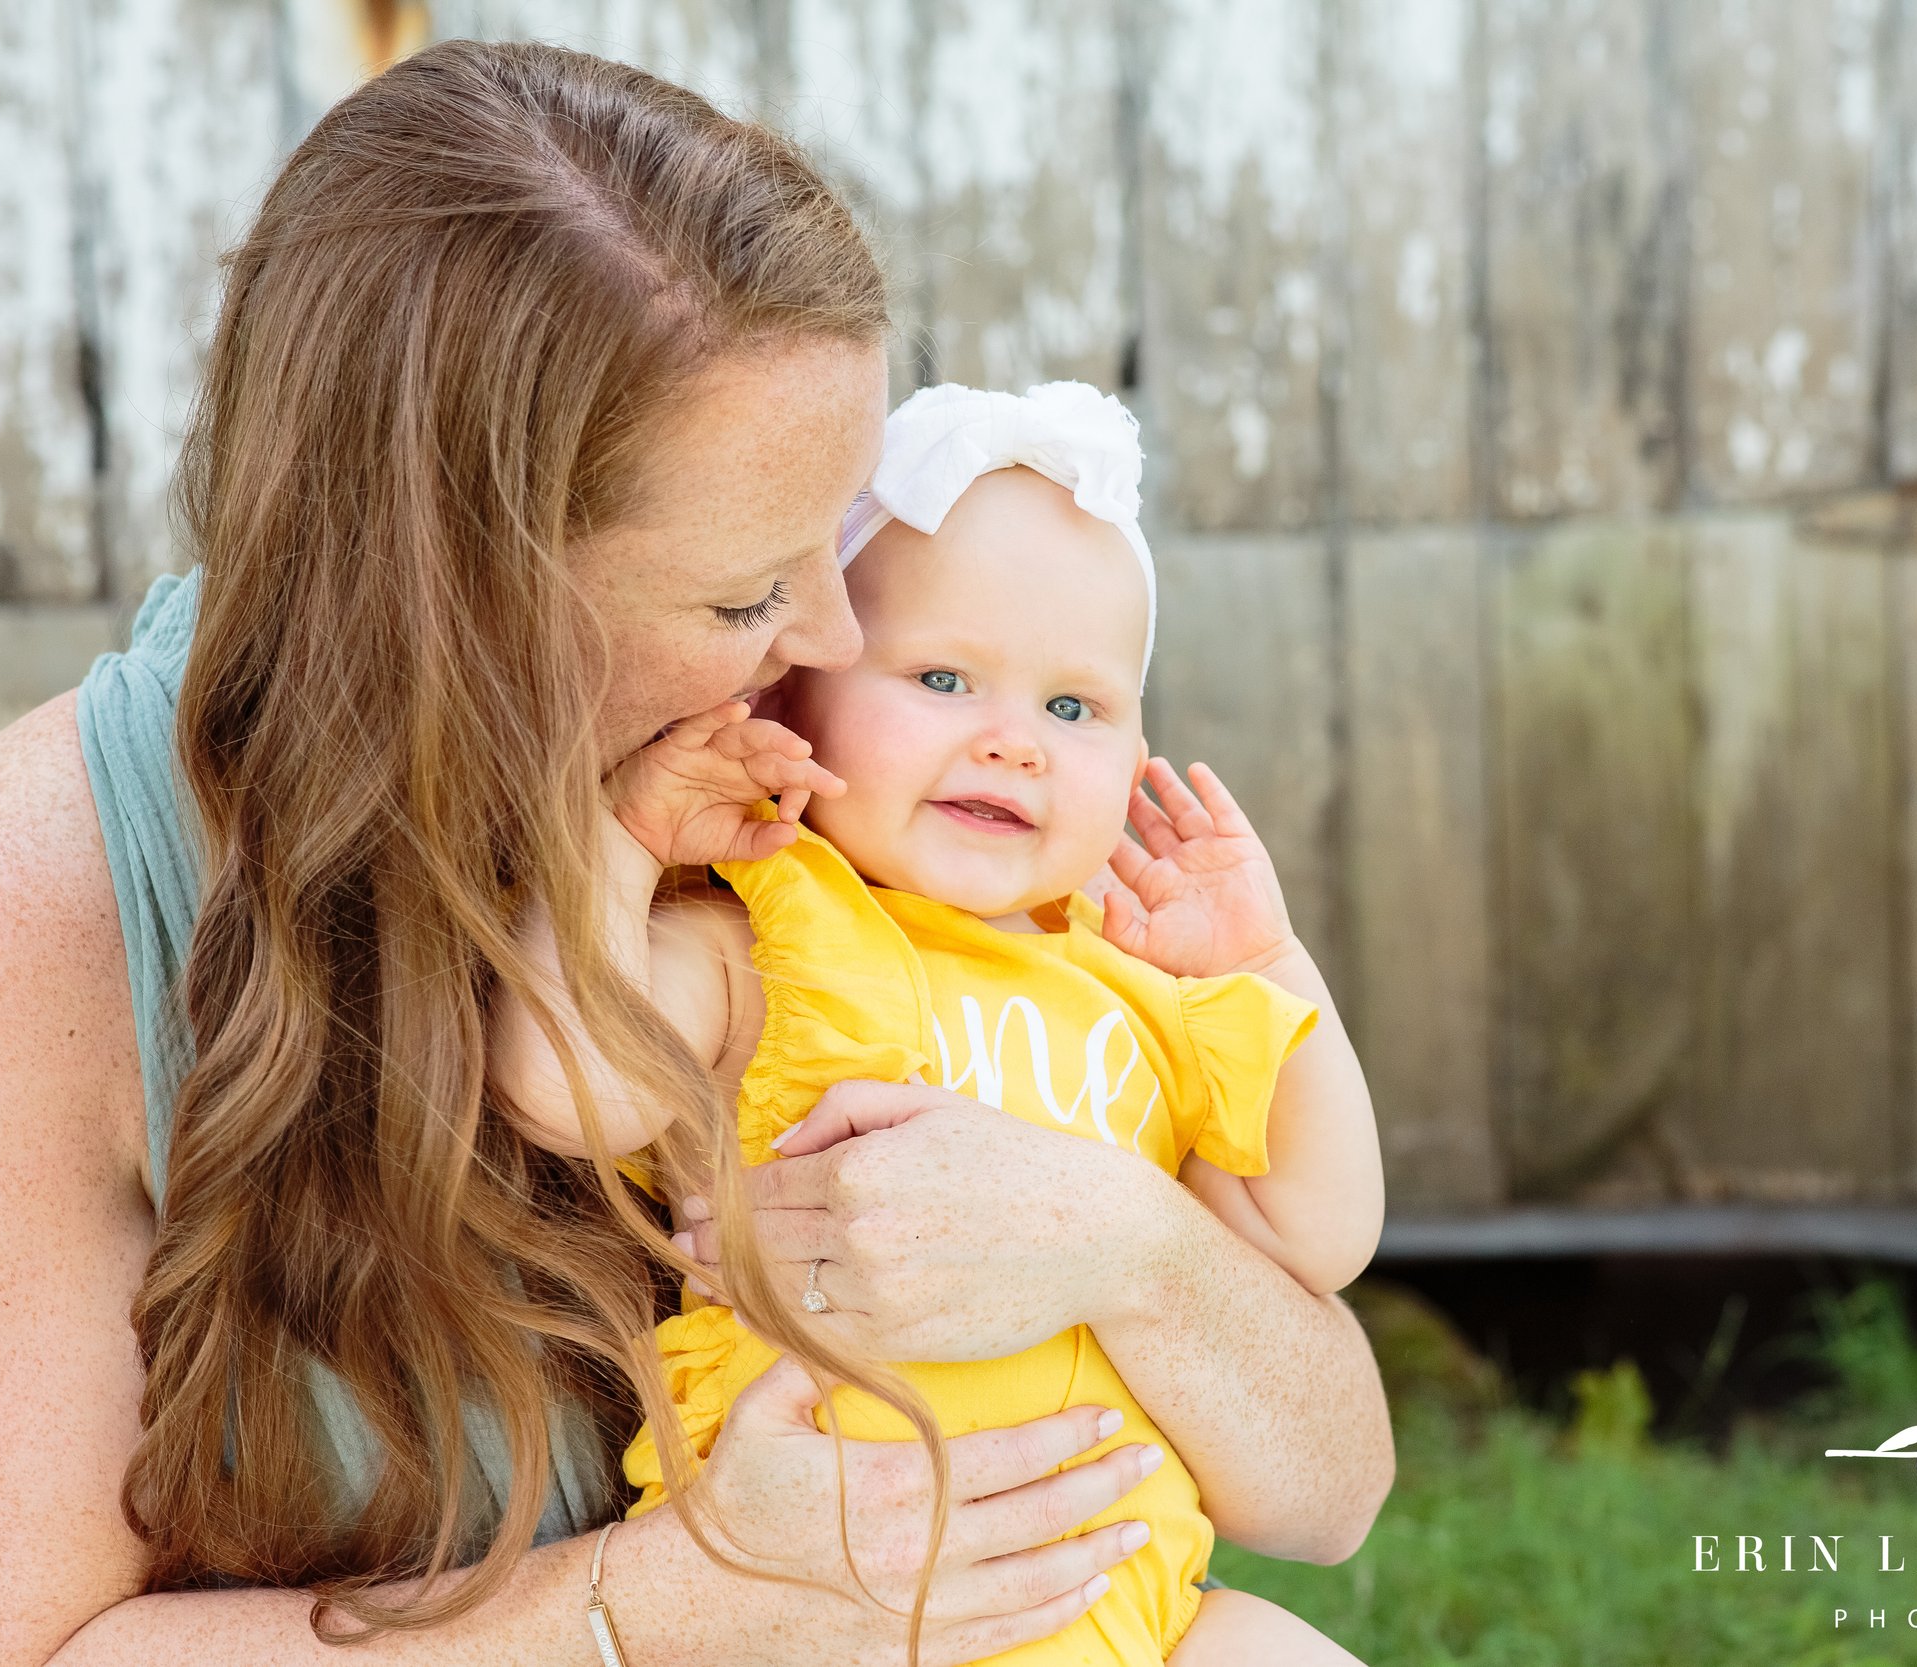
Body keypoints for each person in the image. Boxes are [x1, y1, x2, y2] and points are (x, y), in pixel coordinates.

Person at [0, 40, 1392, 1665]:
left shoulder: (821, 800)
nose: (836, 639)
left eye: (832, 547)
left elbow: (1331, 1490)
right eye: (752, 592)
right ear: (466, 608)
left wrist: (1125, 1240)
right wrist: (665, 1608)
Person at [488, 382, 1385, 1665]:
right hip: (831, 1610)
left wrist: (1272, 965)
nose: (1012, 742)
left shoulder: (1132, 984)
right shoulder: (773, 934)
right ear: (794, 704)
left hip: (1128, 1607)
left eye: (1072, 708)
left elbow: (1318, 1232)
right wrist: (616, 846)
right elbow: (562, 1089)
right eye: (944, 677)